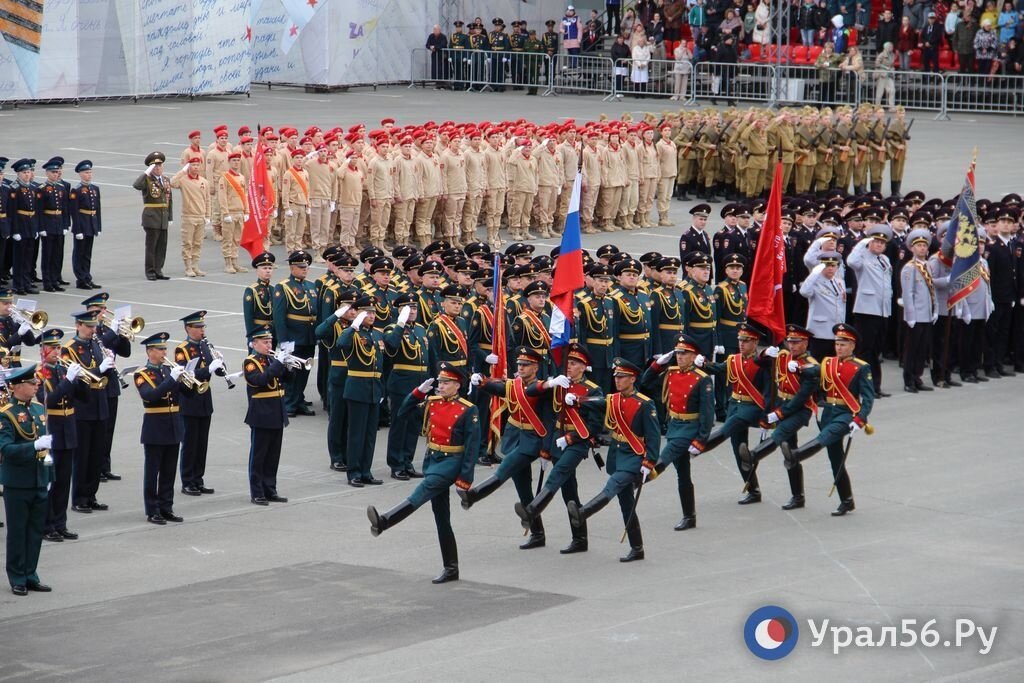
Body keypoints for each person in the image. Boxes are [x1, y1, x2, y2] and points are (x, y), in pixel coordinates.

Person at [367, 363, 478, 583]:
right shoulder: (432, 402)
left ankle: (384, 521)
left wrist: (465, 479)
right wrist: (418, 393)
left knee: (422, 491)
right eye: (440, 382)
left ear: (457, 385)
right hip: (433, 460)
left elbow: (472, 447)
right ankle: (451, 568)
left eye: (446, 383)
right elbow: (403, 412)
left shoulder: (468, 409)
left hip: (450, 463)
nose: (441, 386)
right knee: (442, 519)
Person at [459, 347, 560, 549]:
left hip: (532, 440)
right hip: (514, 438)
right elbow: (497, 388)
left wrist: (546, 450)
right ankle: (538, 534)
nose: (521, 368)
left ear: (535, 367)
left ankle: (474, 495)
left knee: (505, 467)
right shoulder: (514, 385)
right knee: (523, 489)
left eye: (526, 365)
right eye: (520, 364)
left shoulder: (544, 388)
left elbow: (550, 421)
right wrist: (482, 381)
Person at [566, 358, 660, 562]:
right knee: (626, 503)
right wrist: (577, 400)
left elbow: (653, 436)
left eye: (622, 377)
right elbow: (596, 402)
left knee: (613, 484)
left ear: (632, 379)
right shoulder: (613, 400)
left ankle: (583, 513)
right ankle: (637, 548)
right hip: (618, 455)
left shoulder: (645, 404)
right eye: (616, 376)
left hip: (634, 456)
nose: (617, 380)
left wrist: (649, 461)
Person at [514, 343, 605, 553]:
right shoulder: (559, 385)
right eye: (568, 363)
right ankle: (580, 538)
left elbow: (594, 426)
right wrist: (546, 449)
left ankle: (533, 509)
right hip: (556, 441)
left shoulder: (592, 390)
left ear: (583, 367)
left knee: (560, 472)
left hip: (577, 443)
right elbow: (548, 415)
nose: (569, 367)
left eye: (573, 364)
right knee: (569, 490)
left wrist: (571, 437)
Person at [781, 323, 874, 516]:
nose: (839, 347)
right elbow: (814, 371)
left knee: (826, 436)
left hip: (846, 414)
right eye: (837, 343)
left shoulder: (861, 368)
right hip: (829, 413)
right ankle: (847, 500)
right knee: (836, 459)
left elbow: (868, 397)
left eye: (843, 344)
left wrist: (860, 419)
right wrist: (798, 368)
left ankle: (796, 455)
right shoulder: (828, 363)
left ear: (852, 346)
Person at [641, 334, 715, 530]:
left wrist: (701, 440)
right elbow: (644, 383)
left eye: (684, 353)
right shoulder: (671, 372)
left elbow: (707, 414)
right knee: (683, 474)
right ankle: (689, 516)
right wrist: (657, 365)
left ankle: (635, 481)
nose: (680, 357)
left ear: (693, 356)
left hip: (689, 430)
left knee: (662, 459)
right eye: (678, 353)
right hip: (674, 427)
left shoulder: (703, 379)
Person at [0, 364, 54, 596]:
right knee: (18, 531)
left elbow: (46, 449)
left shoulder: (39, 409)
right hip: (18, 482)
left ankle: (31, 574)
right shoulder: (6, 414)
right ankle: (17, 577)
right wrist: (32, 446)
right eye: (32, 384)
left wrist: (49, 476)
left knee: (34, 532)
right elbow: (6, 448)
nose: (36, 386)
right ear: (19, 386)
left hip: (39, 479)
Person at [63, 310, 116, 514]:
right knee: (82, 455)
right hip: (83, 406)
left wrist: (110, 365)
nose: (93, 329)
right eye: (88, 326)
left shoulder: (95, 343)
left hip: (100, 403)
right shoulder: (69, 349)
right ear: (78, 326)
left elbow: (104, 374)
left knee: (96, 453)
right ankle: (79, 498)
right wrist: (100, 369)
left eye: (94, 326)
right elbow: (77, 377)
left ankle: (91, 494)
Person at [132, 332, 185, 525]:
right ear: (150, 351)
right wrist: (172, 379)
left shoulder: (167, 370)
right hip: (155, 426)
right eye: (160, 349)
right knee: (152, 471)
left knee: (169, 471)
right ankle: (152, 509)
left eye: (165, 348)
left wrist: (189, 379)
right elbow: (151, 396)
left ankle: (166, 507)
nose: (165, 352)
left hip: (173, 424)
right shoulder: (142, 374)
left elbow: (186, 394)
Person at [39, 329, 84, 543]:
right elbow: (50, 400)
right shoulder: (40, 375)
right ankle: (47, 525)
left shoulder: (63, 371)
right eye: (52, 348)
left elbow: (83, 398)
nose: (56, 351)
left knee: (64, 481)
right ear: (43, 350)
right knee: (52, 482)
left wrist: (80, 379)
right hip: (53, 430)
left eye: (58, 348)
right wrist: (69, 381)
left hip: (68, 430)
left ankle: (60, 523)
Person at [339, 294, 385, 487]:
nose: (372, 315)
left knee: (369, 434)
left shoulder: (375, 335)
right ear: (357, 313)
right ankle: (354, 472)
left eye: (374, 312)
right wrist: (353, 326)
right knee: (356, 434)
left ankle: (366, 470)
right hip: (357, 388)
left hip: (374, 388)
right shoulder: (353, 334)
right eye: (367, 312)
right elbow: (341, 344)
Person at [174, 311, 221, 496]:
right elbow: (186, 376)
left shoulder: (206, 346)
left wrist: (219, 363)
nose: (202, 330)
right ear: (188, 328)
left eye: (203, 327)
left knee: (202, 443)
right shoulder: (182, 350)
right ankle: (187, 481)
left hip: (204, 398)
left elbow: (216, 372)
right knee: (190, 442)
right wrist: (208, 369)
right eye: (198, 327)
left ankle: (198, 479)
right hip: (190, 399)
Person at [243, 325, 289, 505]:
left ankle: (270, 489)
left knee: (273, 455)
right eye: (264, 342)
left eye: (270, 341)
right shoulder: (250, 362)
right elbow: (260, 381)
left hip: (277, 412)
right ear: (254, 344)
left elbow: (287, 380)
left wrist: (287, 366)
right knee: (259, 455)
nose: (269, 344)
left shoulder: (272, 360)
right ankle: (257, 492)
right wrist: (278, 363)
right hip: (261, 413)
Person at [846, 224, 893, 396]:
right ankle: (861, 386)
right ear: (869, 243)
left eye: (882, 242)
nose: (879, 245)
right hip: (866, 310)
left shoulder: (885, 260)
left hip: (882, 310)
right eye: (876, 241)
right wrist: (862, 242)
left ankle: (875, 387)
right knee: (864, 350)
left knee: (876, 351)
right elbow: (850, 261)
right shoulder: (862, 257)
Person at [272, 250, 317, 417]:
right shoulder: (283, 287)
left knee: (304, 371)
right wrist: (283, 341)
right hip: (293, 336)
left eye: (306, 267)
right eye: (301, 267)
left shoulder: (311, 286)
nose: (305, 269)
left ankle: (298, 401)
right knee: (291, 372)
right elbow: (279, 317)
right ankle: (289, 403)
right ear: (292, 268)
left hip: (309, 336)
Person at [901, 228, 938, 392]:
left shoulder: (928, 266)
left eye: (924, 245)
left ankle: (918, 377)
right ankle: (908, 380)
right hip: (915, 315)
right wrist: (910, 315)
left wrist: (934, 310)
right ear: (912, 248)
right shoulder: (910, 267)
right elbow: (908, 293)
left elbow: (932, 289)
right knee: (912, 349)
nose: (922, 248)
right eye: (919, 245)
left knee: (922, 349)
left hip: (927, 314)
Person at [169, 153, 213, 277]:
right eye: (193, 165)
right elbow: (172, 182)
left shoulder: (204, 181)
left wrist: (208, 215)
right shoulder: (183, 180)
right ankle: (188, 267)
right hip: (188, 216)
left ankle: (195, 266)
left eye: (197, 165)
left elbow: (208, 199)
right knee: (187, 243)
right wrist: (182, 171)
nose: (195, 167)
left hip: (201, 216)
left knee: (198, 243)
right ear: (189, 166)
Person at [133, 153, 173, 281]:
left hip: (163, 217)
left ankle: (158, 270)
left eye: (160, 165)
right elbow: (136, 185)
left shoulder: (166, 180)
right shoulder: (147, 180)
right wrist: (146, 173)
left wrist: (170, 217)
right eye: (154, 166)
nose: (158, 168)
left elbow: (169, 200)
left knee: (162, 245)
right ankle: (150, 271)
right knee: (151, 246)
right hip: (151, 217)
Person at [800, 250, 847, 359]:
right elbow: (804, 292)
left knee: (832, 366)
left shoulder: (839, 282)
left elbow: (841, 305)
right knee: (819, 363)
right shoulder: (815, 282)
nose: (830, 268)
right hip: (820, 330)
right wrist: (814, 273)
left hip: (836, 330)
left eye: (833, 265)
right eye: (826, 265)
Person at [37, 157, 69, 293]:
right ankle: (47, 281)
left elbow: (65, 209)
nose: (55, 174)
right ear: (47, 173)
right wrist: (41, 228)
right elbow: (39, 211)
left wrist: (66, 225)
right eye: (53, 172)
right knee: (48, 254)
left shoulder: (61, 188)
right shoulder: (42, 189)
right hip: (48, 224)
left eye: (57, 172)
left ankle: (55, 279)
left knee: (57, 253)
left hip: (58, 223)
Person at [69, 160, 102, 290]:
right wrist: (77, 230)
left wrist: (98, 226)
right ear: (80, 174)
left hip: (91, 224)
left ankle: (87, 276)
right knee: (79, 253)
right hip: (82, 225)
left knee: (87, 253)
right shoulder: (76, 190)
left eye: (90, 172)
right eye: (86, 172)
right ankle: (81, 279)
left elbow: (97, 209)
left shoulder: (94, 189)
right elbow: (74, 212)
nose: (89, 175)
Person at [216, 152, 249, 274]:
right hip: (230, 212)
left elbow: (245, 194)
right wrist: (225, 213)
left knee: (237, 239)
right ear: (229, 162)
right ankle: (228, 263)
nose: (236, 162)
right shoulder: (224, 178)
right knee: (227, 239)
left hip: (240, 212)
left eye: (237, 160)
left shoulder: (241, 177)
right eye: (234, 160)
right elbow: (222, 196)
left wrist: (247, 210)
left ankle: (235, 261)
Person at [243, 251, 276, 341]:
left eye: (270, 268)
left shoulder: (273, 289)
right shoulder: (252, 290)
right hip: (258, 331)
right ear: (257, 270)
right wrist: (251, 337)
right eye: (264, 268)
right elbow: (248, 316)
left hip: (272, 331)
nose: (268, 270)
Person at [875, 42, 897, 106]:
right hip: (882, 75)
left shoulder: (893, 55)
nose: (892, 48)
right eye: (890, 47)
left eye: (892, 47)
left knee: (892, 90)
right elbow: (877, 64)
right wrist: (886, 67)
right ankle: (877, 106)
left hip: (889, 75)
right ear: (886, 47)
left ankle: (891, 106)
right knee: (880, 92)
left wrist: (892, 69)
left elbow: (892, 64)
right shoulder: (881, 55)